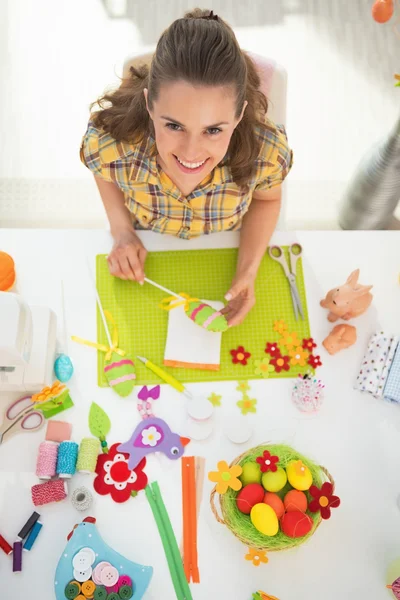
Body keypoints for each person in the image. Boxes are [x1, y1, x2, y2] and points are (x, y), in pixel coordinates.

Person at [80, 8, 293, 326]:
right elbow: (103, 172)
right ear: (150, 105)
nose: (191, 153)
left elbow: (267, 199)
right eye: (174, 126)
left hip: (228, 243)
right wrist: (122, 231)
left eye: (213, 129)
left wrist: (247, 272)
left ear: (238, 115)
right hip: (148, 241)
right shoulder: (111, 143)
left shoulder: (266, 153)